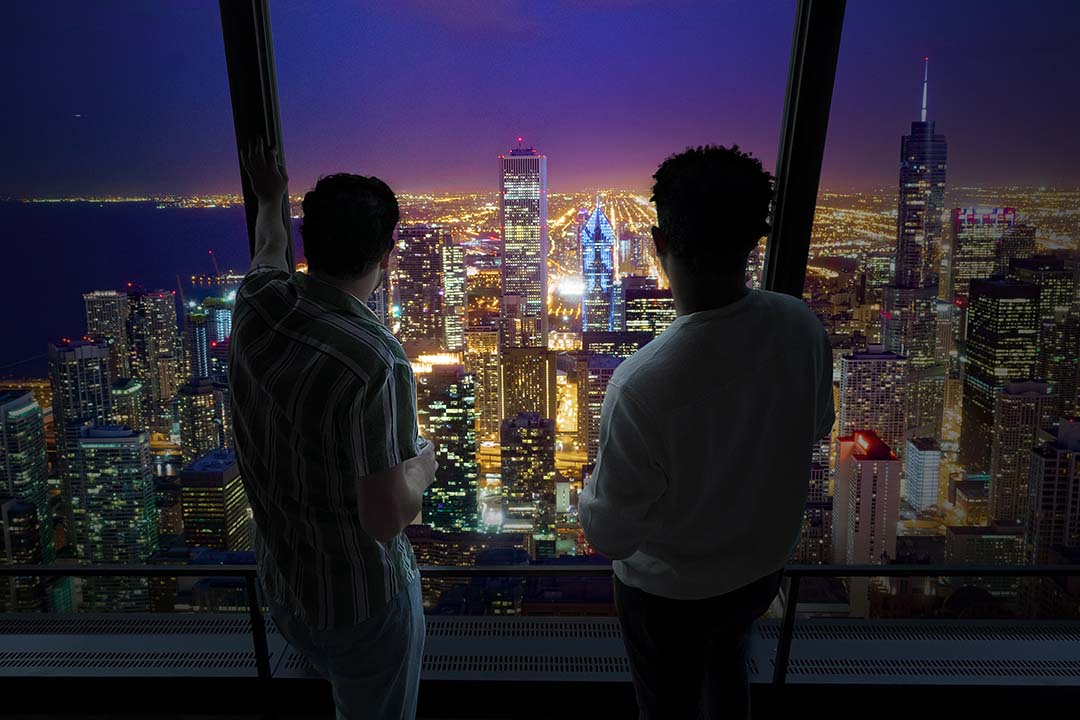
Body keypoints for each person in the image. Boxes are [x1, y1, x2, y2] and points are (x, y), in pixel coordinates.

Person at [579, 145, 834, 719]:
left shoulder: (642, 383)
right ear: (754, 241)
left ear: (660, 245)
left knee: (666, 706)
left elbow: (612, 534)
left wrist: (589, 490)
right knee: (729, 672)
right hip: (759, 573)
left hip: (668, 595)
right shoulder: (800, 326)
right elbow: (817, 426)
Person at [228, 138, 438, 720]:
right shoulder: (376, 361)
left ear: (309, 243)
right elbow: (385, 517)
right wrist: (424, 463)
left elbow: (267, 249)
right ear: (386, 254)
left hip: (285, 585)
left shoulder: (258, 303)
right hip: (359, 602)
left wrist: (271, 197)